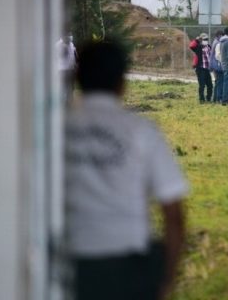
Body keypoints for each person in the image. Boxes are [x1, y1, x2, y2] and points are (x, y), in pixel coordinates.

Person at [65, 39, 188, 300]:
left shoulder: (54, 130)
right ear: (122, 82)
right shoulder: (141, 131)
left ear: (77, 75)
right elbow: (174, 214)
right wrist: (165, 279)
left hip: (69, 264)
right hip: (130, 268)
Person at [189, 32, 213, 103]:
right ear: (201, 40)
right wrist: (196, 40)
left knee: (210, 85)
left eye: (206, 39)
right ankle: (201, 99)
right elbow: (191, 46)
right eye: (204, 39)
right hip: (200, 68)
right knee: (202, 85)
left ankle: (208, 98)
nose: (205, 40)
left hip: (207, 68)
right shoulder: (198, 47)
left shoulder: (209, 46)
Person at [56, 34, 77, 106]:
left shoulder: (71, 44)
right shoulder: (58, 45)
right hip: (61, 69)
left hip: (70, 68)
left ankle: (69, 100)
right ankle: (62, 101)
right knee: (62, 86)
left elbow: (73, 56)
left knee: (70, 86)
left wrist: (75, 65)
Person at [210, 30, 224, 103]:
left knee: (217, 82)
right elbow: (217, 56)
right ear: (219, 35)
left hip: (214, 65)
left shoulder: (215, 42)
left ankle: (215, 98)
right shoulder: (218, 43)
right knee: (219, 82)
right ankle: (218, 98)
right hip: (218, 65)